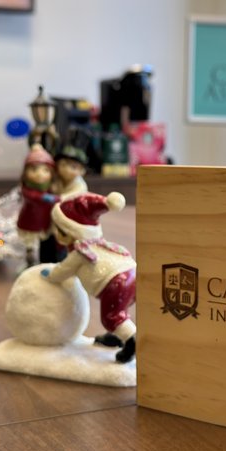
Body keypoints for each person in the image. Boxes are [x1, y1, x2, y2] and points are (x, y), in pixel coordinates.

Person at [41, 191, 136, 363]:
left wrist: (50, 276)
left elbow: (62, 271)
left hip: (114, 283)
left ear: (68, 232)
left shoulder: (79, 253)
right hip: (132, 274)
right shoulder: (101, 244)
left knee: (111, 316)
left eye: (58, 230)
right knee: (121, 308)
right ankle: (117, 335)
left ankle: (132, 341)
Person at [16, 144, 58, 266]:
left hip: (45, 221)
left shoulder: (50, 187)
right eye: (34, 170)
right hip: (30, 221)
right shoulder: (27, 189)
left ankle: (43, 261)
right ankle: (30, 260)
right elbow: (36, 197)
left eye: (45, 170)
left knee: (45, 243)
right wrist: (53, 198)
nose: (40, 174)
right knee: (30, 243)